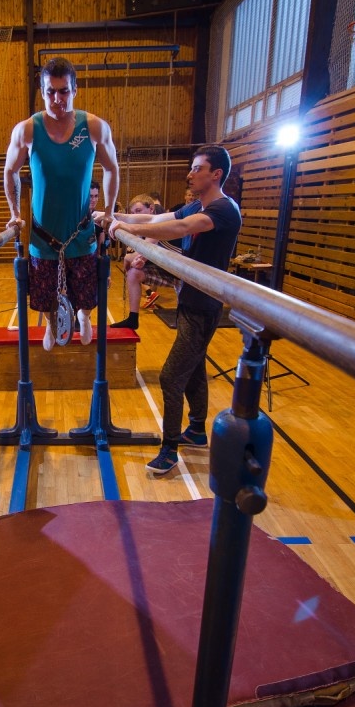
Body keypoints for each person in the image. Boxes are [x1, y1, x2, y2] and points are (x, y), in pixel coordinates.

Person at [99, 145, 241, 475]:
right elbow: (152, 218)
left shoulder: (223, 209)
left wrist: (128, 231)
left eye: (197, 168)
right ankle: (197, 430)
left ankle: (169, 449)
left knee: (171, 377)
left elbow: (180, 229)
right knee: (193, 369)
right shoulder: (198, 205)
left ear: (216, 174)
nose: (190, 174)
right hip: (190, 299)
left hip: (203, 306)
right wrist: (115, 217)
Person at [4, 56, 119, 351]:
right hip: (44, 235)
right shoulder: (27, 130)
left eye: (64, 91)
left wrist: (109, 211)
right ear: (42, 92)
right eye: (51, 92)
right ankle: (52, 323)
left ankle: (84, 316)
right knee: (44, 296)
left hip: (80, 230)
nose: (57, 99)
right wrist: (14, 213)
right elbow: (10, 170)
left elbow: (112, 168)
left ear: (75, 90)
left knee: (86, 292)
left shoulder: (94, 127)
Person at [110, 194, 177, 329]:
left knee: (185, 317)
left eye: (138, 211)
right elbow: (138, 254)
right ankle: (133, 318)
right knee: (133, 274)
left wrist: (129, 258)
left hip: (181, 271)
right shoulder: (143, 227)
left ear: (151, 209)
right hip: (165, 266)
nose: (135, 216)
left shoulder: (158, 224)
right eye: (133, 213)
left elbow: (142, 252)